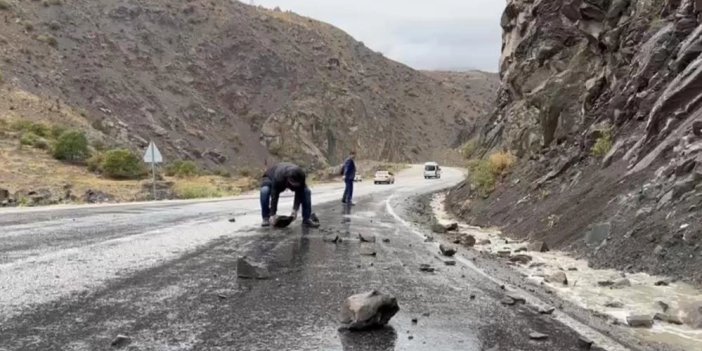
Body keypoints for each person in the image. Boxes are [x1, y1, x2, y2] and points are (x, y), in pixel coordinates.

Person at [260, 162, 319, 228]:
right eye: (292, 184)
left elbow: (299, 191)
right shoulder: (279, 177)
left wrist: (295, 210)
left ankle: (306, 220)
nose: (293, 187)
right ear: (287, 180)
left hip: (287, 176)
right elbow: (274, 194)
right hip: (270, 177)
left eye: (296, 185)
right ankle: (265, 217)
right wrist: (272, 214)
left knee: (306, 191)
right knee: (264, 191)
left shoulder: (301, 175)